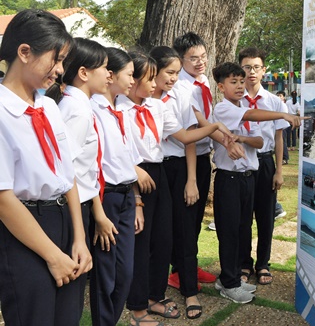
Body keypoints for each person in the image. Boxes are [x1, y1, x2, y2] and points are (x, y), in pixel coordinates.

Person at [120, 52, 233, 324]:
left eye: (174, 72)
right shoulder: (119, 108)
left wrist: (214, 127)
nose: (166, 80)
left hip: (157, 173)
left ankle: (154, 296)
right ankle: (137, 305)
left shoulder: (157, 107)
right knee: (141, 243)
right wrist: (135, 191)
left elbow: (184, 136)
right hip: (135, 174)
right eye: (150, 78)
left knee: (164, 239)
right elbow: (117, 148)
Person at [0, 9, 92, 325]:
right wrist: (53, 256)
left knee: (67, 318)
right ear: (24, 52)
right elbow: (2, 197)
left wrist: (79, 238)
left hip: (64, 221)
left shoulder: (48, 106)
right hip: (23, 229)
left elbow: (68, 176)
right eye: (56, 59)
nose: (60, 70)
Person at [149, 46, 241, 320]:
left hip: (181, 166)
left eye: (177, 72)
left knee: (187, 230)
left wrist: (191, 179)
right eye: (170, 72)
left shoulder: (187, 90)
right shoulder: (147, 98)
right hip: (154, 169)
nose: (174, 78)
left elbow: (191, 134)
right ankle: (155, 290)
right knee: (160, 235)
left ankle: (189, 289)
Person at [210, 62, 304, 303]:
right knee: (229, 232)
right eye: (234, 82)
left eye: (242, 82)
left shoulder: (241, 107)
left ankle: (229, 277)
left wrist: (241, 137)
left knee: (242, 229)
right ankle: (229, 282)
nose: (241, 86)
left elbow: (260, 142)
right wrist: (283, 114)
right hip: (229, 178)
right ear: (221, 87)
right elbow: (252, 117)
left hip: (248, 178)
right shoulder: (223, 109)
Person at [46, 38, 116, 322]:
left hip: (82, 203)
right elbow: (68, 171)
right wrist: (92, 217)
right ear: (84, 73)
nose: (109, 75)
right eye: (105, 68)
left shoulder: (80, 105)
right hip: (74, 206)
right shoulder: (76, 110)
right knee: (70, 293)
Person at [89, 47, 141, 326]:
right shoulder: (92, 110)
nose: (134, 80)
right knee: (106, 276)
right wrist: (98, 212)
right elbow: (91, 166)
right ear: (111, 76)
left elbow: (126, 160)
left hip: (126, 197)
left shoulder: (120, 109)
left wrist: (137, 201)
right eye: (130, 74)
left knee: (125, 273)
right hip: (106, 197)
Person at [239, 48, 289, 286]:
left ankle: (263, 264)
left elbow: (279, 137)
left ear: (264, 71)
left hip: (266, 161)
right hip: (242, 162)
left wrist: (279, 170)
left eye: (256, 67)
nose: (251, 72)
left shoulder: (273, 102)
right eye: (247, 67)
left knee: (266, 216)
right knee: (243, 216)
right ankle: (244, 263)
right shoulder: (234, 101)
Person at [171, 32, 218, 283]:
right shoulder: (180, 86)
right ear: (181, 60)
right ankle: (181, 271)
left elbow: (206, 121)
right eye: (193, 59)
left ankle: (187, 265)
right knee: (186, 219)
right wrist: (226, 137)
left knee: (196, 217)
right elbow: (193, 127)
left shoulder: (203, 81)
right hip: (185, 157)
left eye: (203, 57)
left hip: (202, 155)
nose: (200, 62)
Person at [276, 90, 289, 165]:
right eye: (277, 95)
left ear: (283, 97)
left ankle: (285, 158)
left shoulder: (283, 105)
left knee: (282, 142)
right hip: (278, 126)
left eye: (280, 96)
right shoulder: (277, 104)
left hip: (282, 126)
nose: (278, 97)